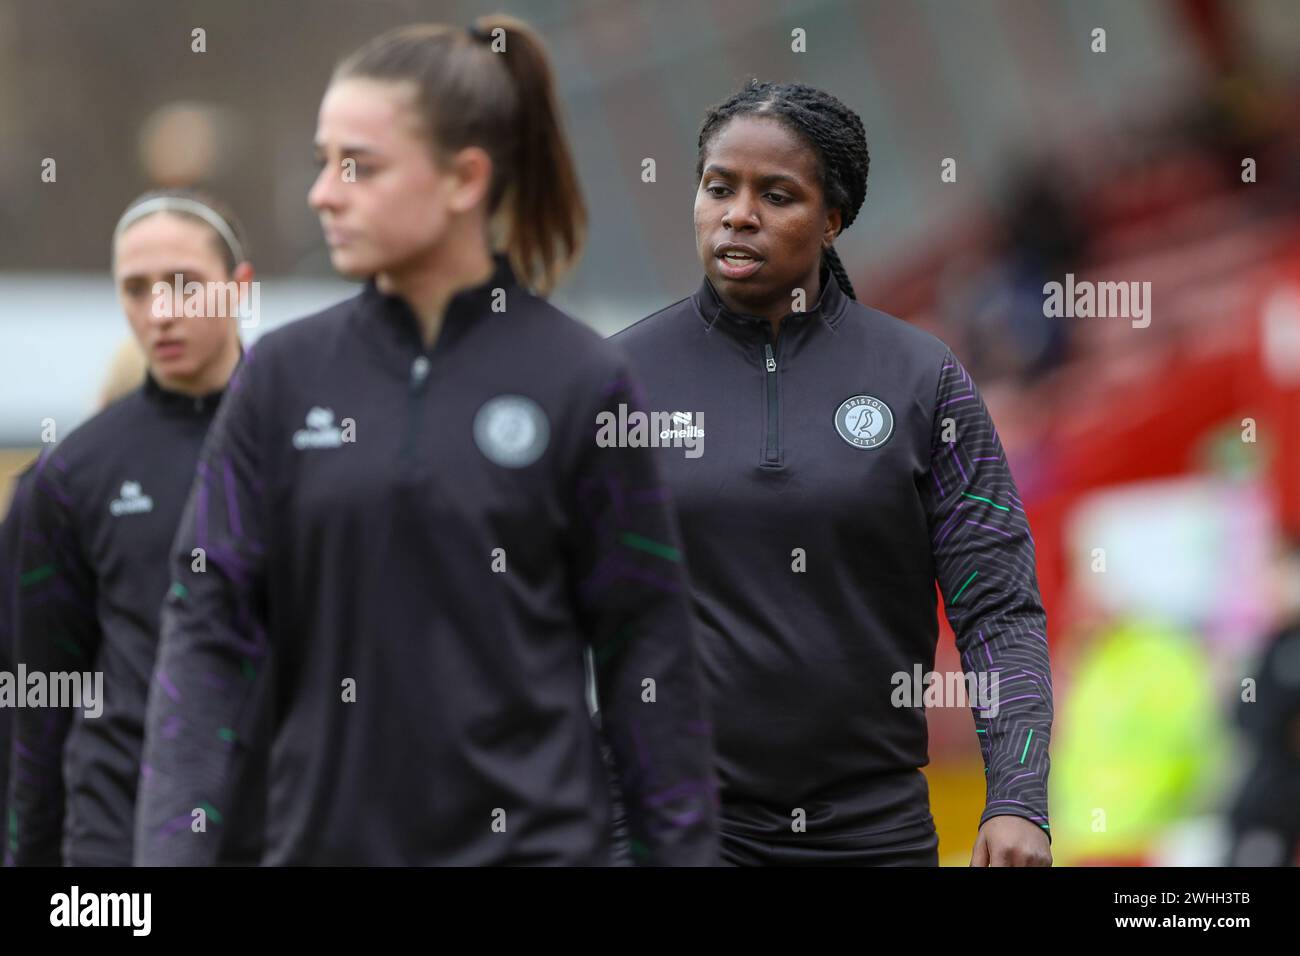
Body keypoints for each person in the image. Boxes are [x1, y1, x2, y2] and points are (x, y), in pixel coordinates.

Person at [134, 16, 717, 866]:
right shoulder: (281, 378)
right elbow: (206, 631)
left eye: (357, 167)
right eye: (321, 163)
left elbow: (648, 658)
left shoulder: (581, 379)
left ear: (462, 180)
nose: (321, 194)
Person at [612, 80, 1053, 866]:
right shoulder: (619, 382)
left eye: (775, 195)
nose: (737, 213)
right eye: (719, 187)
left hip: (873, 832)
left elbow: (999, 609)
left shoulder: (922, 379)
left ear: (832, 219)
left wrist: (1018, 797)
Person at [7, 188, 264, 866]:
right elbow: (36, 694)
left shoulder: (311, 442)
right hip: (117, 838)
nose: (161, 312)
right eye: (137, 288)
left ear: (240, 287)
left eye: (185, 285)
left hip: (281, 823)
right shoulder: (71, 475)